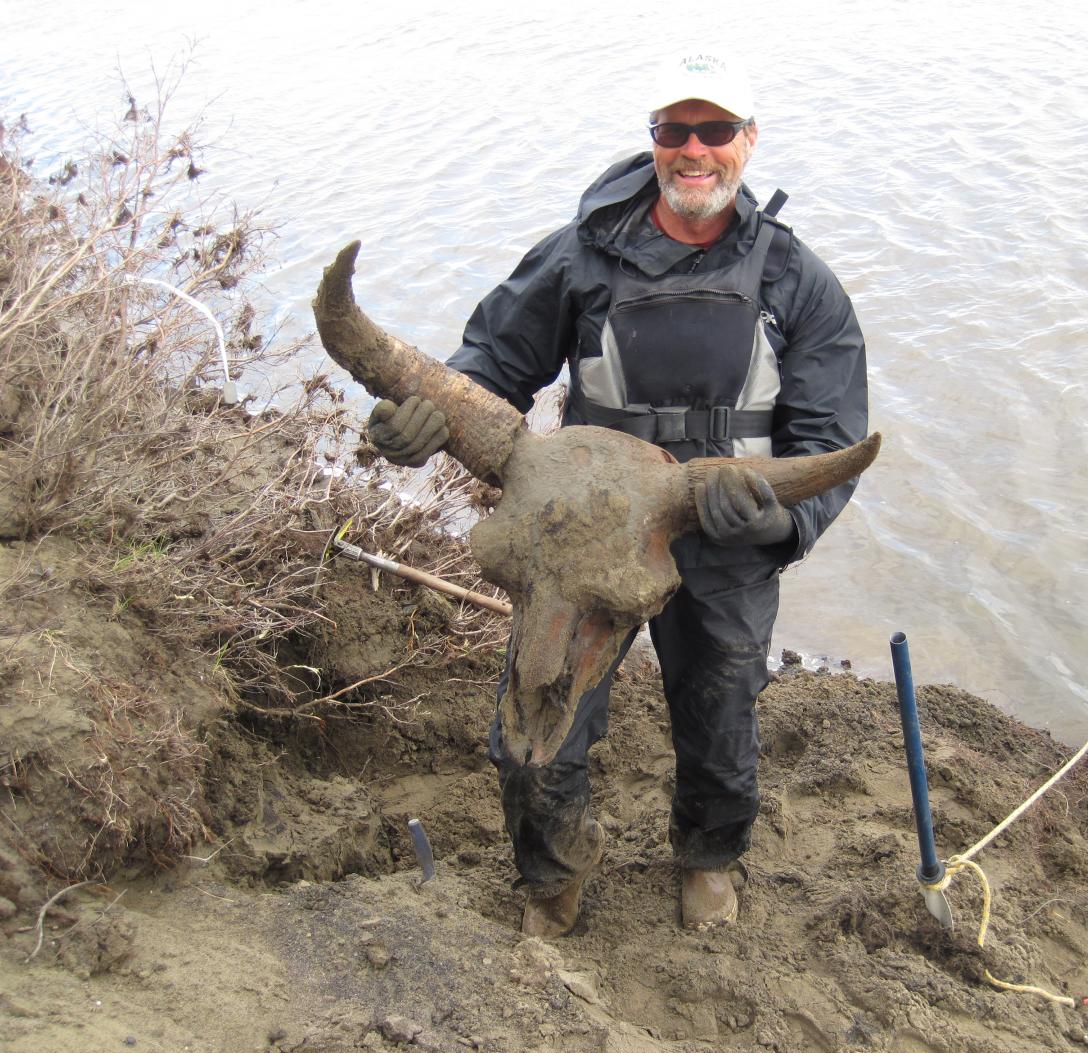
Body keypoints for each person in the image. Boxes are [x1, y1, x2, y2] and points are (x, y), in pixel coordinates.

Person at [367, 51, 868, 937]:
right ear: (654, 141)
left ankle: (709, 859)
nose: (694, 151)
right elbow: (488, 368)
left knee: (721, 710)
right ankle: (552, 878)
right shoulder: (581, 258)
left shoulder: (799, 281)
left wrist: (783, 519)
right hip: (583, 532)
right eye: (675, 131)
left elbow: (830, 444)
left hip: (724, 529)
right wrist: (424, 421)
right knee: (536, 710)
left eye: (715, 131)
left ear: (748, 143)